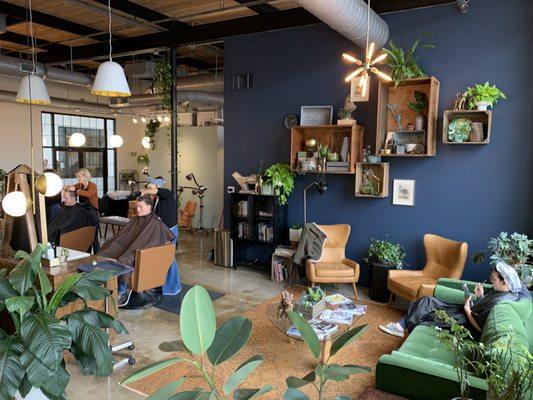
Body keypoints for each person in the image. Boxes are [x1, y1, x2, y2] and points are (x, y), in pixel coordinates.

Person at [379, 261, 529, 338]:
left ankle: (400, 327)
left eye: (494, 279)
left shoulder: (502, 302)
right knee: (427, 301)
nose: (491, 281)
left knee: (428, 311)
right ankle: (400, 326)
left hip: (465, 322)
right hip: (465, 312)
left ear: (505, 282)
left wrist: (467, 309)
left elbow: (480, 328)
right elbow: (484, 307)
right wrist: (480, 296)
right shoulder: (501, 291)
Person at [98, 195, 174, 307]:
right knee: (104, 251)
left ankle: (122, 291)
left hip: (142, 253)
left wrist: (134, 251)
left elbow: (154, 244)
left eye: (140, 207)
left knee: (125, 260)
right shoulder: (136, 219)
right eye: (136, 207)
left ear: (149, 207)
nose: (137, 210)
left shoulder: (155, 223)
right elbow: (124, 237)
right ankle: (107, 286)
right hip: (128, 248)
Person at [141, 176, 181, 296]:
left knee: (169, 258)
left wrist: (144, 191)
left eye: (150, 187)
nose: (149, 189)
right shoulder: (156, 199)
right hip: (162, 231)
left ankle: (173, 287)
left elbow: (154, 191)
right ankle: (159, 284)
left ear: (157, 186)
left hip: (170, 231)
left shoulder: (167, 193)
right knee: (160, 258)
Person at [66, 168, 100, 252]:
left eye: (79, 176)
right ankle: (86, 256)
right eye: (77, 176)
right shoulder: (79, 185)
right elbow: (73, 188)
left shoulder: (93, 185)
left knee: (94, 238)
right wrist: (67, 187)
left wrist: (76, 190)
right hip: (83, 215)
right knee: (85, 238)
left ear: (85, 176)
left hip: (92, 214)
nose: (77, 178)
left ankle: (98, 257)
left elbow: (88, 194)